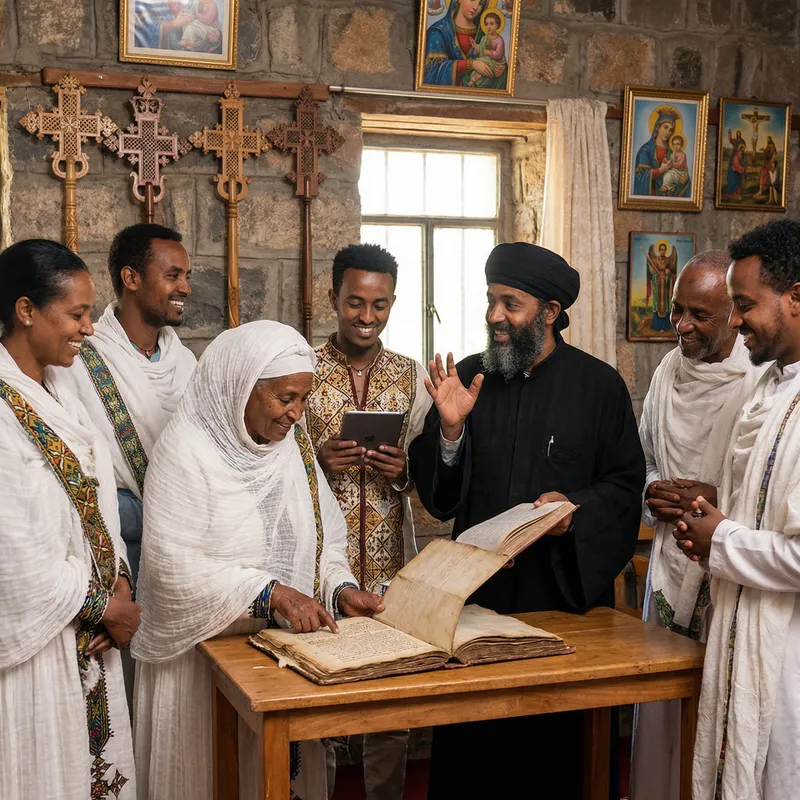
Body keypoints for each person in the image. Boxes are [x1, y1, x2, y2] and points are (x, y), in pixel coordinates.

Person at [410, 242, 645, 797]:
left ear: (550, 312)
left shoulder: (599, 387)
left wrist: (572, 515)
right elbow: (440, 499)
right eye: (490, 301)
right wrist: (448, 434)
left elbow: (622, 486)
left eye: (509, 304)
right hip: (475, 604)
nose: (494, 316)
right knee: (473, 757)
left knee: (553, 763)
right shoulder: (469, 379)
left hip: (556, 604)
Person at [132, 320, 383, 800]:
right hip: (199, 670)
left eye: (304, 399)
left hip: (277, 662)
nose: (296, 414)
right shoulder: (187, 452)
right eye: (284, 398)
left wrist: (339, 589)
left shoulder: (294, 449)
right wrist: (270, 592)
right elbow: (170, 566)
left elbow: (321, 539)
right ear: (240, 387)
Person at [0, 239, 140, 800]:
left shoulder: (61, 392)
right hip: (38, 648)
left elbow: (100, 500)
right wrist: (102, 606)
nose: (88, 327)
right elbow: (10, 548)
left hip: (90, 633)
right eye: (76, 314)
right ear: (26, 310)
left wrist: (121, 582)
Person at [631, 251, 763, 800]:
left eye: (698, 315)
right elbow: (646, 456)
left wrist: (716, 498)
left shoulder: (759, 383)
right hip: (667, 561)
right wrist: (654, 492)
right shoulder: (667, 371)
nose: (679, 325)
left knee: (717, 716)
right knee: (658, 714)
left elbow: (765, 489)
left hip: (726, 572)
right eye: (677, 310)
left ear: (734, 314)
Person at [675, 220, 800, 799]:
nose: (735, 319)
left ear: (796, 298)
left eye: (745, 304)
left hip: (786, 657)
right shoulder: (769, 385)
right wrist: (711, 516)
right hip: (737, 628)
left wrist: (720, 539)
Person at [305, 243, 431, 800]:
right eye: (355, 302)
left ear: (393, 304)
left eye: (379, 305)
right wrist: (316, 458)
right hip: (318, 563)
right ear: (332, 298)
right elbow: (270, 456)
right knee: (319, 702)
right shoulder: (302, 367)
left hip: (388, 564)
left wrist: (404, 470)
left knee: (390, 700)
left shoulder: (410, 376)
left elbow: (426, 472)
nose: (366, 316)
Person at [57, 223, 195, 586]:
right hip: (115, 540)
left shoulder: (186, 363)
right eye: (173, 275)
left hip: (186, 539)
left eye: (186, 276)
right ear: (131, 278)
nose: (185, 287)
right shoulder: (82, 360)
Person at [423, 0, 506, 89]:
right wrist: (471, 64)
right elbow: (431, 73)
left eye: (481, 3)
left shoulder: (485, 35)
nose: (475, 7)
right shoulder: (437, 32)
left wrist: (500, 71)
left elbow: (496, 60)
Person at [633, 106, 689, 197]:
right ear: (657, 127)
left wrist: (684, 179)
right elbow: (640, 177)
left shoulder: (673, 152)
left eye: (671, 130)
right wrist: (660, 170)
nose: (668, 132)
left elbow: (680, 171)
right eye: (665, 127)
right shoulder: (645, 150)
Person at [465, 12, 505, 88]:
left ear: (497, 25)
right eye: (486, 24)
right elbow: (481, 48)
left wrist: (490, 53)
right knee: (478, 67)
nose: (488, 27)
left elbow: (499, 55)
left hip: (495, 63)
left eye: (491, 24)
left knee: (484, 69)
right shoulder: (484, 38)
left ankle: (475, 80)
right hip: (485, 60)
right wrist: (475, 46)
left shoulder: (499, 40)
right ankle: (473, 80)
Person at [756, 135, 777, 200]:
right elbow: (767, 153)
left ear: (770, 140)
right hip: (767, 163)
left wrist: (764, 151)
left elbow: (770, 154)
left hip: (770, 163)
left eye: (768, 139)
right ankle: (761, 191)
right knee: (763, 173)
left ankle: (762, 191)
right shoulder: (768, 145)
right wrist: (764, 150)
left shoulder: (772, 146)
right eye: (767, 139)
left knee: (766, 174)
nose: (767, 140)